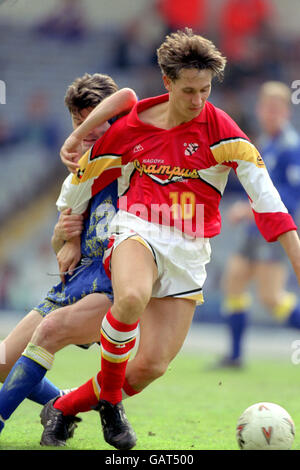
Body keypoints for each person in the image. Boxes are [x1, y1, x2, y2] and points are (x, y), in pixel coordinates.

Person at [40, 28, 300, 451]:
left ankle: (64, 407)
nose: (198, 101)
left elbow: (269, 202)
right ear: (167, 82)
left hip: (190, 249)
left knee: (150, 367)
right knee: (130, 298)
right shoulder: (132, 126)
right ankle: (109, 401)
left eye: (205, 89)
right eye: (188, 90)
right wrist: (65, 233)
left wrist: (296, 263)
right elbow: (82, 179)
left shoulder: (224, 132)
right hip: (137, 229)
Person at [0, 73, 136, 437]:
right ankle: (61, 402)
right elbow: (59, 247)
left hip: (113, 285)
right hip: (76, 282)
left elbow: (128, 97)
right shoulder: (79, 173)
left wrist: (82, 132)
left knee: (50, 331)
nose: (86, 131)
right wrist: (63, 238)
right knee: (1, 361)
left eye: (94, 121)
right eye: (78, 122)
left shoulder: (135, 158)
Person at [216, 81, 300, 368]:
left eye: (276, 109)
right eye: (266, 108)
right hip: (254, 230)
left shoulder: (291, 147)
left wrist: (250, 210)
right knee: (234, 282)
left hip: (273, 233)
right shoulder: (265, 143)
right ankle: (235, 356)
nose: (270, 114)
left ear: (286, 113)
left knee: (271, 298)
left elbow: (290, 196)